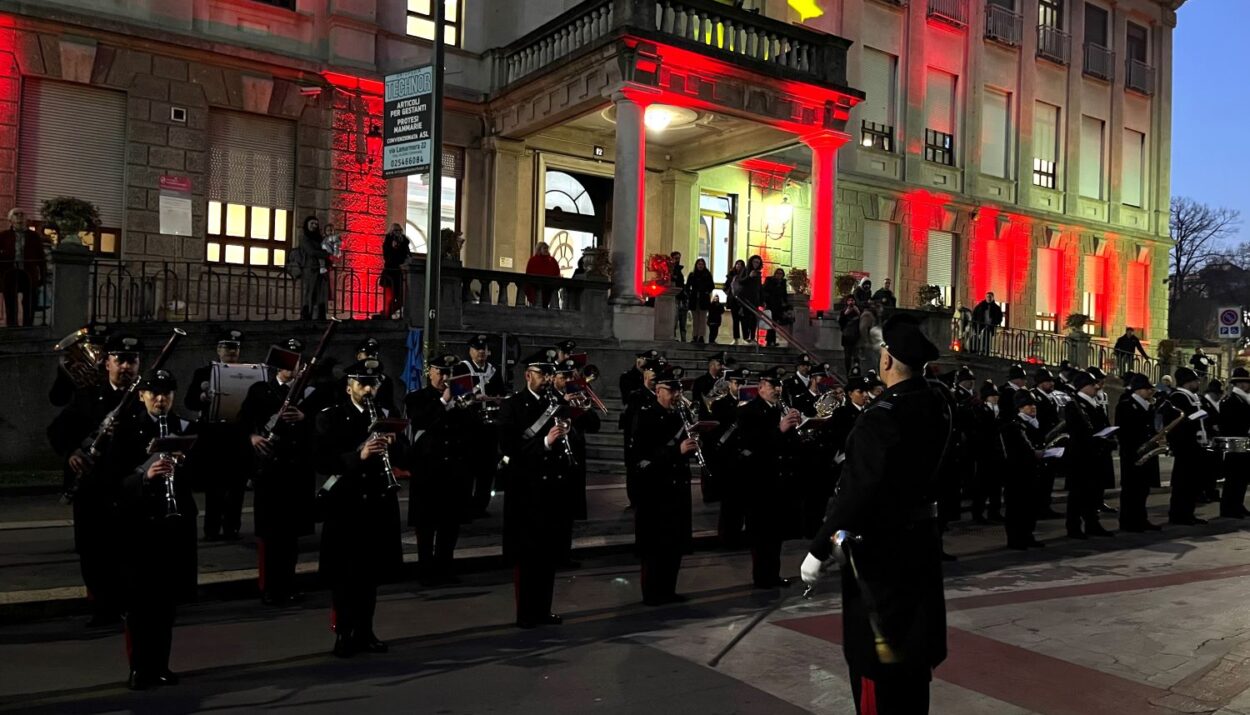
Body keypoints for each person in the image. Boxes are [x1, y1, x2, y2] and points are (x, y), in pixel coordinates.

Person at [800, 314, 951, 714]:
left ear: (887, 361)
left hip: (881, 568)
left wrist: (818, 549)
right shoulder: (936, 404)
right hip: (920, 549)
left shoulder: (882, 417)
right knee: (913, 674)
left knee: (879, 682)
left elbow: (857, 492)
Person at [47, 333, 143, 627]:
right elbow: (58, 430)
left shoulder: (146, 396)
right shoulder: (89, 395)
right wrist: (72, 453)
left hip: (127, 486)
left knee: (127, 550)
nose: (126, 367)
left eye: (132, 361)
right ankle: (102, 608)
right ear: (107, 363)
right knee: (92, 551)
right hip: (92, 486)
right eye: (121, 360)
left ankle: (127, 604)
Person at [111, 369, 197, 690]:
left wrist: (185, 465)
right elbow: (113, 482)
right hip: (138, 530)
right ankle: (138, 667)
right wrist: (145, 478)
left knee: (165, 605)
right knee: (138, 605)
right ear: (142, 396)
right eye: (154, 393)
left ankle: (160, 665)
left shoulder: (184, 427)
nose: (161, 399)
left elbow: (202, 476)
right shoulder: (127, 430)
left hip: (172, 527)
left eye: (167, 394)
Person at [316, 358, 405, 658]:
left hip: (377, 505)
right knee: (345, 577)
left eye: (373, 384)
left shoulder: (386, 414)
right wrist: (360, 453)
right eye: (362, 383)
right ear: (349, 386)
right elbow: (325, 459)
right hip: (347, 506)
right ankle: (343, 634)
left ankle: (366, 631)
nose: (368, 389)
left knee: (370, 576)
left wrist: (395, 443)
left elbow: (406, 454)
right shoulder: (332, 416)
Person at [239, 337, 318, 606]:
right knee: (271, 536)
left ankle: (287, 585)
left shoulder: (310, 393)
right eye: (287, 361)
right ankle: (270, 588)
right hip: (270, 471)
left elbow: (322, 429)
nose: (291, 367)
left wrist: (305, 418)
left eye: (296, 361)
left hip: (296, 472)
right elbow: (243, 422)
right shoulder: (261, 390)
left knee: (291, 537)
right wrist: (252, 437)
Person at [497, 362, 571, 628]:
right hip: (525, 490)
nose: (547, 379)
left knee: (547, 555)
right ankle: (526, 613)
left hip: (550, 488)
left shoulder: (555, 402)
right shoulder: (513, 404)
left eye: (550, 374)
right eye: (542, 375)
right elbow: (508, 447)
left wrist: (564, 436)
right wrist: (545, 442)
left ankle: (543, 608)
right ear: (528, 376)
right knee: (527, 555)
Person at [628, 374, 697, 605]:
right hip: (655, 491)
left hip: (677, 488)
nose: (677, 395)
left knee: (674, 544)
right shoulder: (646, 415)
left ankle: (669, 589)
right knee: (655, 546)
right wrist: (676, 451)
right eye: (671, 390)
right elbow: (641, 456)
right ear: (658, 391)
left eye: (678, 391)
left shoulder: (680, 414)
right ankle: (652, 593)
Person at [405, 356, 472, 586]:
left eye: (449, 374)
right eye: (440, 372)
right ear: (430, 372)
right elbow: (420, 420)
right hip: (428, 469)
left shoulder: (461, 399)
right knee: (426, 526)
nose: (445, 378)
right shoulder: (416, 398)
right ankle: (425, 570)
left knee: (449, 524)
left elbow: (468, 430)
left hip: (453, 470)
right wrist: (444, 401)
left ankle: (445, 567)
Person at [184, 329, 251, 541]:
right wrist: (203, 397)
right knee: (214, 486)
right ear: (218, 349)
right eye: (227, 347)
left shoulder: (248, 372)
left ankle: (232, 527)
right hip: (213, 434)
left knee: (237, 484)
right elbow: (189, 401)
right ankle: (212, 529)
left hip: (237, 433)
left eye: (235, 348)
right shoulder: (204, 373)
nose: (231, 352)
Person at [737, 367, 800, 588]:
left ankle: (773, 574)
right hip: (759, 482)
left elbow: (788, 445)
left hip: (778, 481)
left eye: (779, 386)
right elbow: (751, 446)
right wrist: (779, 429)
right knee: (761, 534)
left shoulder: (778, 410)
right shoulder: (749, 411)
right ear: (761, 387)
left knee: (775, 534)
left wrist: (796, 426)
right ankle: (761, 577)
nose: (778, 390)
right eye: (773, 386)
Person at [553, 359, 600, 567]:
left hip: (575, 459)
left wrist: (584, 407)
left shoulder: (577, 396)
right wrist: (563, 402)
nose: (568, 381)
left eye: (570, 376)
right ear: (554, 377)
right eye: (563, 377)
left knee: (568, 512)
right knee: (554, 512)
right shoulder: (550, 397)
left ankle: (564, 554)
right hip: (554, 462)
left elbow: (594, 426)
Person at [1063, 371, 1115, 538]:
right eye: (1093, 385)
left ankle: (1092, 523)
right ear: (1084, 386)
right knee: (1077, 494)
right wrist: (1094, 440)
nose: (1097, 387)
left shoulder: (1095, 404)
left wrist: (1108, 438)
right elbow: (1076, 431)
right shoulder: (1074, 404)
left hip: (1096, 455)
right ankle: (1074, 527)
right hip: (1081, 456)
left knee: (1093, 493)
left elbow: (1103, 425)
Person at [1160, 368, 1212, 526]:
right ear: (1188, 382)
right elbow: (1173, 422)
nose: (1198, 383)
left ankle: (1188, 512)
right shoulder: (1177, 397)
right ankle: (1178, 514)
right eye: (1195, 381)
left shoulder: (1194, 397)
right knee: (1183, 482)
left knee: (1193, 482)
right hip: (1185, 445)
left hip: (1197, 445)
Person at [1115, 373, 1163, 532]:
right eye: (1147, 389)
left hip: (1147, 452)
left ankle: (1141, 519)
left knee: (1143, 488)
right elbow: (1125, 431)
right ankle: (1128, 521)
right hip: (1132, 453)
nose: (1150, 392)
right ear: (1138, 390)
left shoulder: (1149, 405)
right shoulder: (1126, 405)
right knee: (1131, 489)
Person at [708, 367, 750, 547]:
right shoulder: (720, 404)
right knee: (729, 504)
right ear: (729, 383)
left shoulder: (750, 404)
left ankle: (741, 535)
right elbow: (719, 431)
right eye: (737, 382)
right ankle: (727, 538)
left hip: (745, 459)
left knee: (744, 502)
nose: (740, 386)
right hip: (728, 459)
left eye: (743, 383)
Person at [1001, 390, 1046, 549]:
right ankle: (1015, 538)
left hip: (1032, 471)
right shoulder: (1014, 425)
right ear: (1020, 407)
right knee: (1017, 507)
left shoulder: (1034, 423)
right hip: (1018, 473)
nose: (1032, 407)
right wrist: (1034, 453)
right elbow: (1018, 450)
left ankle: (1027, 535)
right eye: (1028, 405)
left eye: (1033, 404)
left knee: (1030, 506)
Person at [1030, 368, 1068, 520]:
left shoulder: (1050, 397)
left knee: (1049, 478)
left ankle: (1045, 506)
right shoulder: (1035, 397)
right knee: (1041, 479)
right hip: (1041, 440)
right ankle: (1038, 507)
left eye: (1051, 381)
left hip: (1052, 441)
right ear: (1040, 383)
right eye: (1047, 381)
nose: (1051, 384)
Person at [0, 207, 46, 326]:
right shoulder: (4, 235)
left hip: (28, 272)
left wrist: (43, 275)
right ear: (10, 220)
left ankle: (27, 325)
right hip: (9, 272)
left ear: (26, 219)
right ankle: (12, 326)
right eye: (16, 214)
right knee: (10, 300)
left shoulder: (34, 236)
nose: (20, 216)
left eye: (22, 214)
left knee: (29, 301)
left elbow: (41, 257)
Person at [969, 381, 1005, 524]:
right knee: (982, 486)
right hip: (984, 454)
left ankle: (994, 512)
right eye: (992, 396)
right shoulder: (980, 410)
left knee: (996, 486)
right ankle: (978, 513)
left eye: (996, 396)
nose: (995, 398)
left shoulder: (997, 410)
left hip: (995, 453)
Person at [1218, 368, 1250, 518]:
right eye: (1243, 382)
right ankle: (1229, 507)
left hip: (1244, 442)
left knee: (1242, 477)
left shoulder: (1243, 399)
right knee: (1234, 478)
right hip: (1235, 442)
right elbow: (1229, 423)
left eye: (1246, 382)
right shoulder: (1232, 400)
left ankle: (1238, 504)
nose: (1245, 385)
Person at [298, 216, 331, 320]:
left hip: (320, 270)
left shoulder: (319, 238)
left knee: (321, 293)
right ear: (307, 224)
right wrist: (324, 254)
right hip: (310, 269)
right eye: (312, 223)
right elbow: (311, 251)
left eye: (316, 224)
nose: (314, 226)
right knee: (309, 292)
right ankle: (306, 315)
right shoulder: (304, 237)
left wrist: (323, 254)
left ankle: (320, 315)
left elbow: (327, 249)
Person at [379, 223, 411, 319]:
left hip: (399, 273)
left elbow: (407, 255)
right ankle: (387, 313)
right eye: (395, 231)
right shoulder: (388, 241)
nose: (397, 233)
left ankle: (391, 312)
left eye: (399, 231)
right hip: (390, 272)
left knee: (401, 297)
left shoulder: (404, 242)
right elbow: (387, 257)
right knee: (389, 297)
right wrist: (392, 247)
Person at [735, 255, 764, 345]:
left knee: (754, 319)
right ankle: (746, 337)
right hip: (745, 299)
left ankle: (752, 337)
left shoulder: (758, 273)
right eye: (754, 262)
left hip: (755, 300)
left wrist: (762, 301)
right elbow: (740, 281)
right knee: (745, 318)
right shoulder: (745, 270)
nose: (756, 264)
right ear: (751, 262)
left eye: (758, 262)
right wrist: (749, 276)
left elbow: (759, 288)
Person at [524, 242, 561, 307]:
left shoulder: (552, 261)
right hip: (535, 290)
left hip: (549, 289)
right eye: (544, 248)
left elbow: (557, 273)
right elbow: (529, 274)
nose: (546, 250)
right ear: (539, 249)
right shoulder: (533, 260)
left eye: (547, 248)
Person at [687, 258, 714, 344]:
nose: (700, 266)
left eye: (702, 264)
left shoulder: (707, 275)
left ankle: (701, 336)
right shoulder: (692, 275)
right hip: (694, 299)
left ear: (704, 265)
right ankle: (694, 336)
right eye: (699, 264)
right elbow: (687, 286)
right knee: (695, 320)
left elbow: (711, 286)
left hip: (703, 299)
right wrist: (689, 294)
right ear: (696, 265)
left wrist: (706, 292)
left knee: (702, 319)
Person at [762, 268, 790, 347]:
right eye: (777, 273)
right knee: (771, 323)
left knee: (774, 324)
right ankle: (770, 341)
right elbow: (765, 290)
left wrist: (785, 304)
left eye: (781, 273)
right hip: (770, 305)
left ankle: (770, 341)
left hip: (778, 306)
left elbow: (784, 294)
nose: (779, 275)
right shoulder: (769, 280)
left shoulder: (783, 282)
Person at [839, 297, 862, 376]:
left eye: (852, 300)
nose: (851, 302)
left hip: (856, 337)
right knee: (847, 356)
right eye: (849, 300)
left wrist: (858, 312)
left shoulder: (858, 310)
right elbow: (841, 323)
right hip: (847, 337)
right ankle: (847, 372)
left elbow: (862, 322)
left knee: (856, 356)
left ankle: (856, 371)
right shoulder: (844, 311)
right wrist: (845, 314)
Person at [725, 259, 746, 344]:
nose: (738, 266)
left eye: (740, 264)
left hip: (742, 301)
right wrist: (730, 294)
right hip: (733, 300)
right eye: (737, 264)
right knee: (735, 320)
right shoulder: (731, 275)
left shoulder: (745, 276)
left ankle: (745, 338)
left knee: (744, 320)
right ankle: (736, 338)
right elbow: (725, 286)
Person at [670, 251, 688, 342]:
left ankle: (683, 339)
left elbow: (681, 284)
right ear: (672, 258)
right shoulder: (671, 270)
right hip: (674, 298)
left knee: (682, 321)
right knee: (674, 319)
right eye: (676, 258)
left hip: (681, 298)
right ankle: (673, 337)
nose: (678, 260)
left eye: (679, 258)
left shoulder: (678, 270)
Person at [858, 301, 880, 373]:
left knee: (872, 362)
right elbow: (863, 328)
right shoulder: (868, 315)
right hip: (867, 344)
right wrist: (866, 341)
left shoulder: (871, 315)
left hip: (870, 343)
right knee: (870, 363)